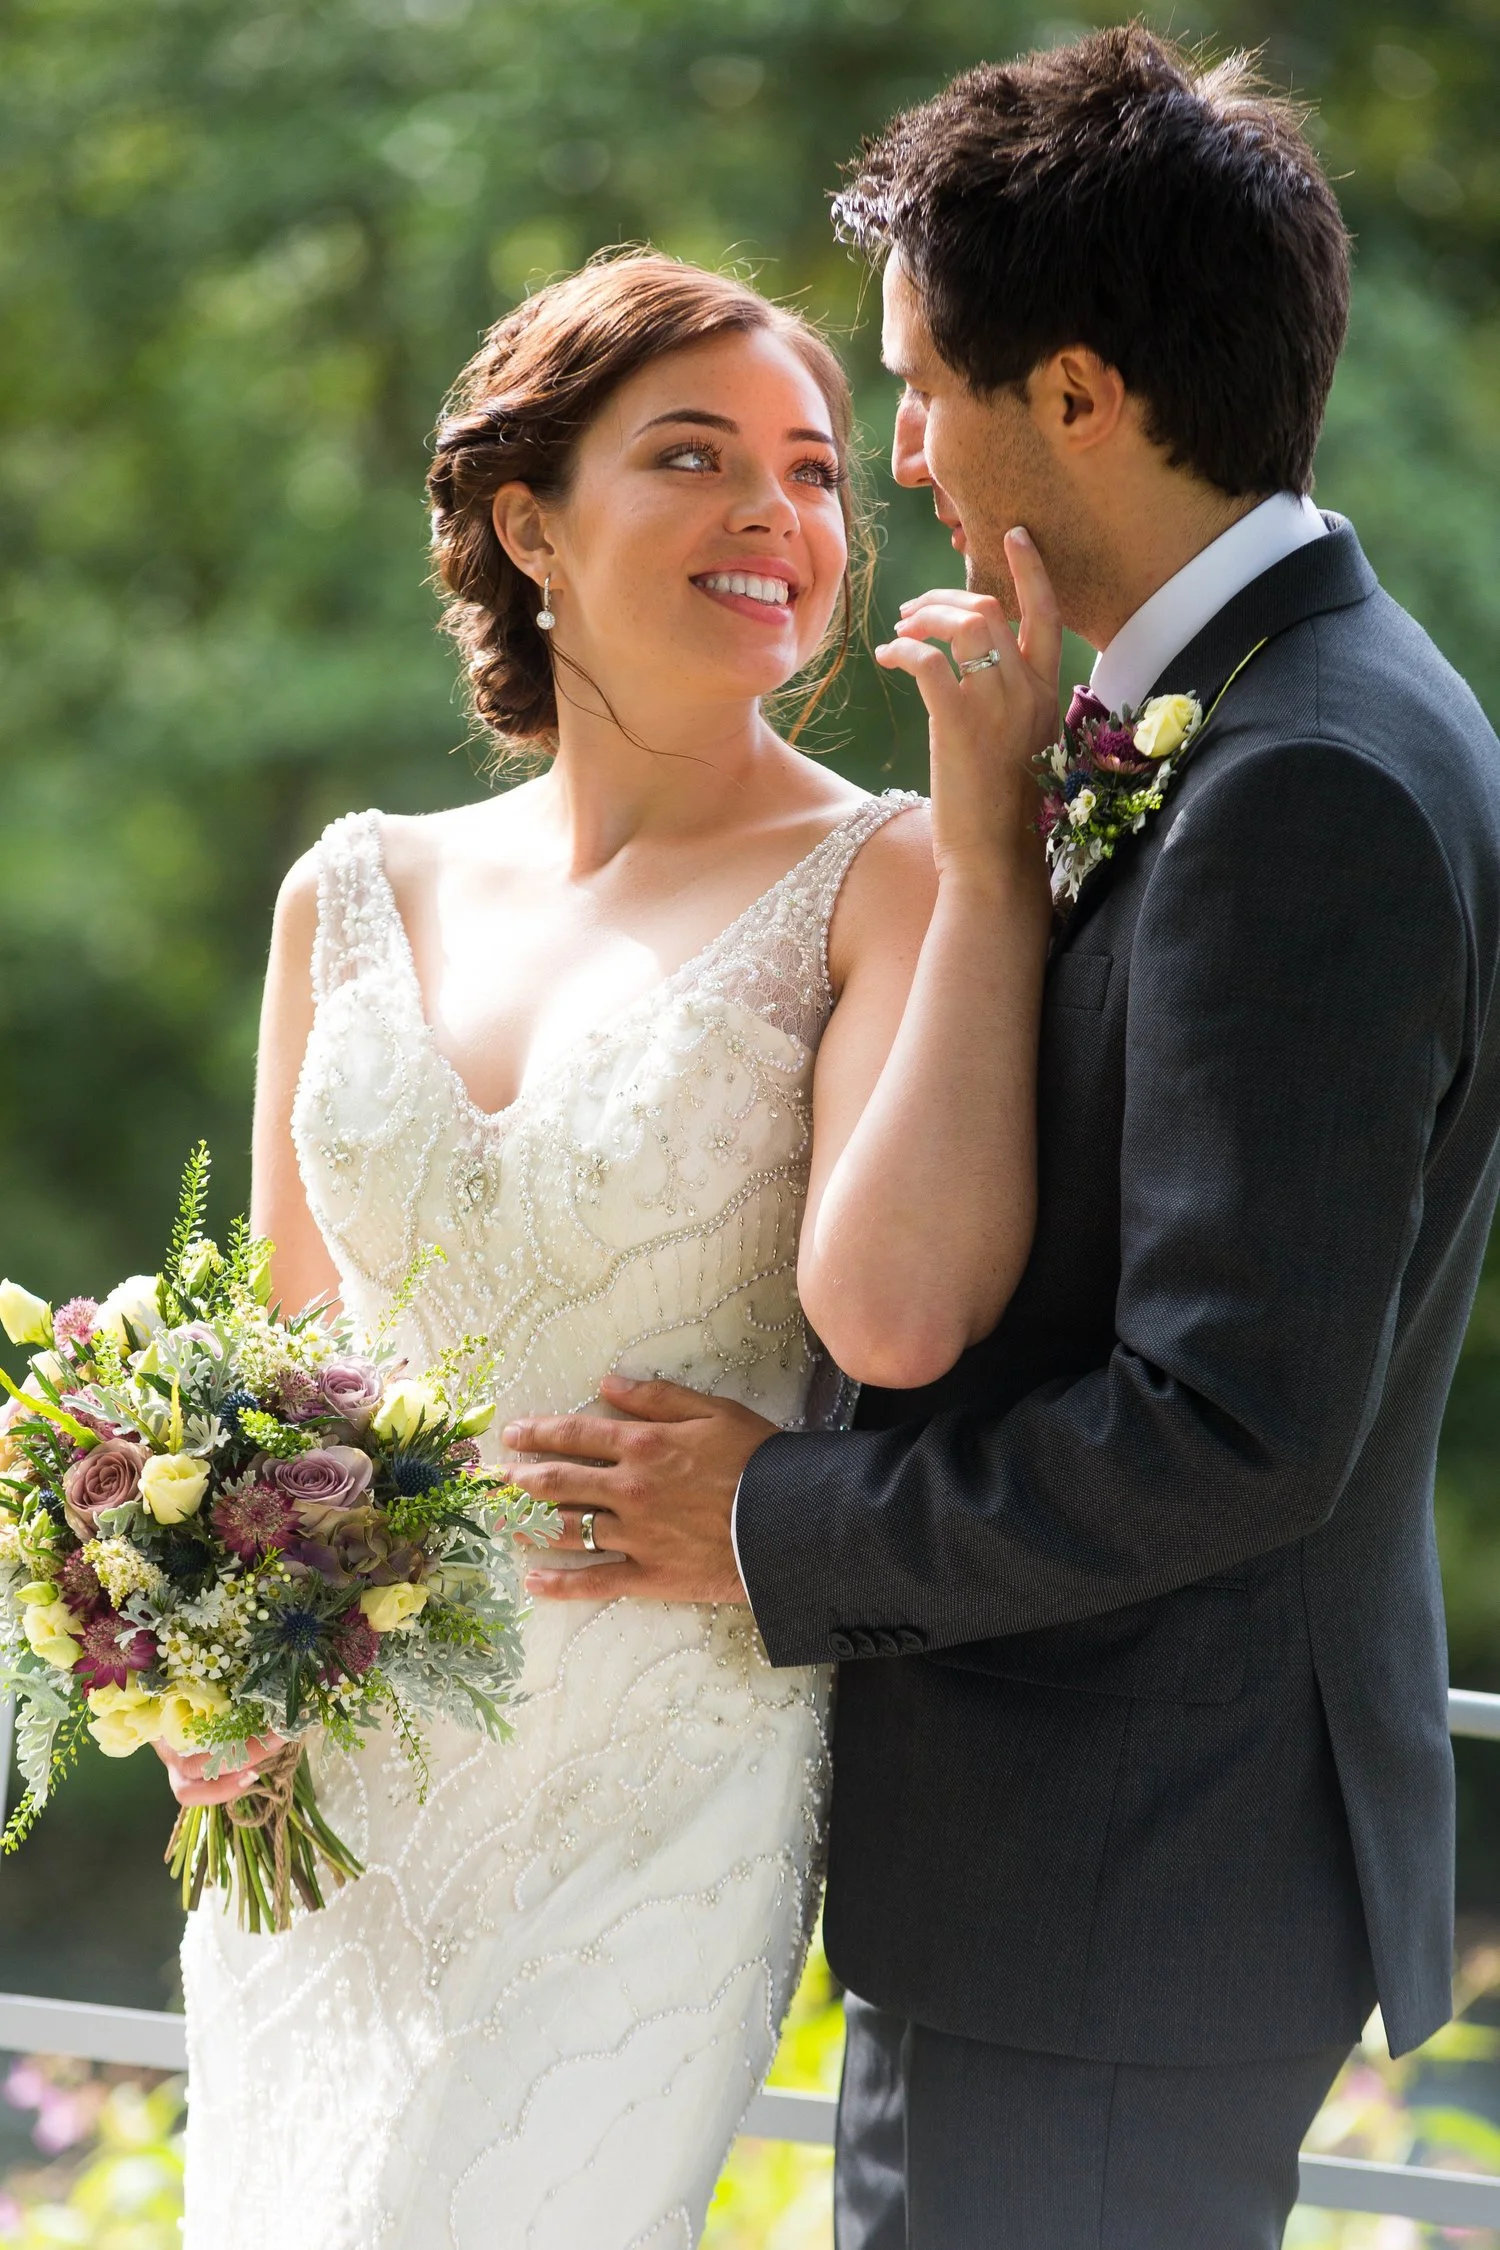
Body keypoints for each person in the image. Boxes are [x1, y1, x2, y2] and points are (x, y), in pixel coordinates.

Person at [504, 30, 1500, 2250]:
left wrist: (780, 1523)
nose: (907, 461)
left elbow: (1230, 1423)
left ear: (1077, 396)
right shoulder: (1244, 713)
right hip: (1089, 1878)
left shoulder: (1306, 778)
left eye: (924, 393)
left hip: (1127, 1883)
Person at [166, 251, 1055, 2248]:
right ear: (523, 519)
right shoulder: (353, 889)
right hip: (336, 1782)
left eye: (820, 473)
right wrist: (209, 1663)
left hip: (651, 1782)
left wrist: (995, 855)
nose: (781, 518)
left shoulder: (888, 876)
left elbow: (898, 1319)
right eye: (694, 456)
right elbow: (276, 1368)